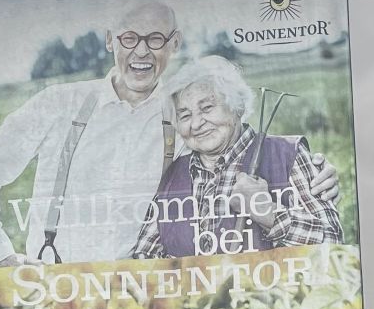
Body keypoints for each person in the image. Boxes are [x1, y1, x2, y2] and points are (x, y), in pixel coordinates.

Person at [0, 0, 186, 267]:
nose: (141, 51)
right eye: (129, 38)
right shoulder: (58, 103)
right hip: (56, 281)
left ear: (175, 43)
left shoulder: (187, 117)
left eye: (155, 39)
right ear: (110, 40)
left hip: (145, 283)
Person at [135, 55, 343, 258]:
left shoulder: (287, 156)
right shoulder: (170, 175)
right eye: (185, 115)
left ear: (238, 106)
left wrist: (268, 213)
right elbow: (144, 257)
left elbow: (333, 246)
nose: (196, 123)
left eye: (207, 108)